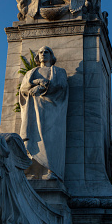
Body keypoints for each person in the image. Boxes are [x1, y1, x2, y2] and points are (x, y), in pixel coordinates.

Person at [19, 46, 68, 181]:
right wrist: (38, 81)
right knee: (34, 142)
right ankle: (33, 172)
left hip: (52, 111)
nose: (43, 54)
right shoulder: (31, 72)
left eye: (46, 52)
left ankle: (52, 170)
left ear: (51, 56)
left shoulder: (58, 72)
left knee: (50, 141)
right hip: (33, 111)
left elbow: (61, 86)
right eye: (40, 52)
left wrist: (42, 88)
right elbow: (23, 88)